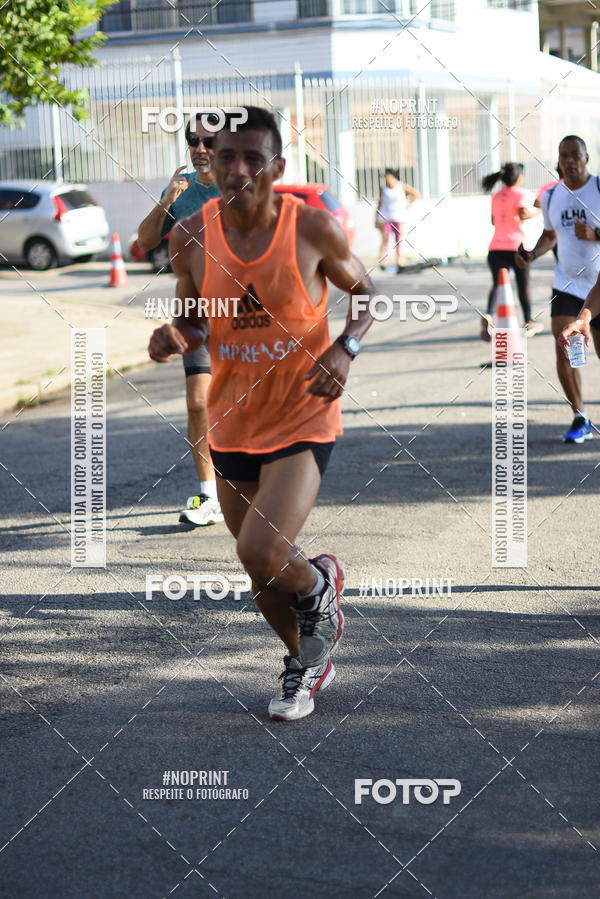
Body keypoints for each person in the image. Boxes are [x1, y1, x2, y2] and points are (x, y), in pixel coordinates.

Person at [148, 106, 376, 721]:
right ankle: (306, 664)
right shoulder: (190, 235)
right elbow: (193, 318)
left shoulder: (312, 229)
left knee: (260, 551)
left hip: (303, 412)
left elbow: (366, 295)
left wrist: (344, 348)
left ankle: (320, 587)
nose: (239, 168)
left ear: (278, 165)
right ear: (210, 161)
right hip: (233, 419)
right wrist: (172, 336)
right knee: (261, 573)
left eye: (254, 157)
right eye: (226, 156)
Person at [137, 115, 223, 527]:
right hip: (196, 316)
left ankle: (258, 487)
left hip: (247, 316)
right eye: (194, 141)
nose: (200, 149)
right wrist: (166, 201)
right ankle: (209, 496)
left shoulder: (243, 185)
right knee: (198, 403)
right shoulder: (182, 190)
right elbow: (145, 241)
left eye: (209, 141)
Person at [516, 135, 600, 443]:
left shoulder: (599, 189)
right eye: (564, 156)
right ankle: (580, 417)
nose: (570, 161)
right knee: (565, 349)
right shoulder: (552, 197)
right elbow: (550, 235)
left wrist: (596, 233)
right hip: (566, 283)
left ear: (586, 157)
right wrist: (532, 254)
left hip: (598, 284)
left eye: (575, 155)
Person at [480, 162, 540, 342]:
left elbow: (493, 221)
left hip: (495, 248)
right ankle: (529, 321)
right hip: (516, 247)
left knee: (498, 285)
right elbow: (522, 214)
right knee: (523, 285)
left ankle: (489, 316)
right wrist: (538, 211)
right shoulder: (521, 193)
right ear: (519, 177)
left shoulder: (496, 195)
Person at [375, 168, 419, 273]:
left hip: (399, 218)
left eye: (387, 176)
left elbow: (415, 194)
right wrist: (376, 218)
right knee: (385, 240)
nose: (386, 179)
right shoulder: (383, 188)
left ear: (392, 177)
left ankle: (400, 261)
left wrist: (408, 204)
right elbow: (379, 204)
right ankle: (383, 262)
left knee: (399, 241)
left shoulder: (401, 186)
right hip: (385, 218)